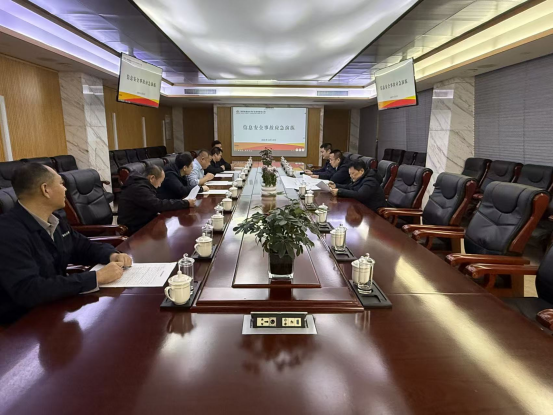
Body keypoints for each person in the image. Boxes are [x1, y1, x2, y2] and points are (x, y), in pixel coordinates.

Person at [0, 163, 131, 325]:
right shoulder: (8, 233)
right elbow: (29, 290)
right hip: (24, 323)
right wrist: (95, 277)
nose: (65, 189)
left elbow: (83, 247)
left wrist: (111, 255)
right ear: (45, 189)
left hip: (57, 305)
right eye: (61, 183)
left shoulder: (55, 220)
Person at [118, 165, 197, 235]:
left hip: (143, 221)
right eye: (160, 182)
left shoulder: (142, 184)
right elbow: (158, 205)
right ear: (152, 178)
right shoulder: (139, 188)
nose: (159, 186)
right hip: (133, 228)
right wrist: (185, 203)